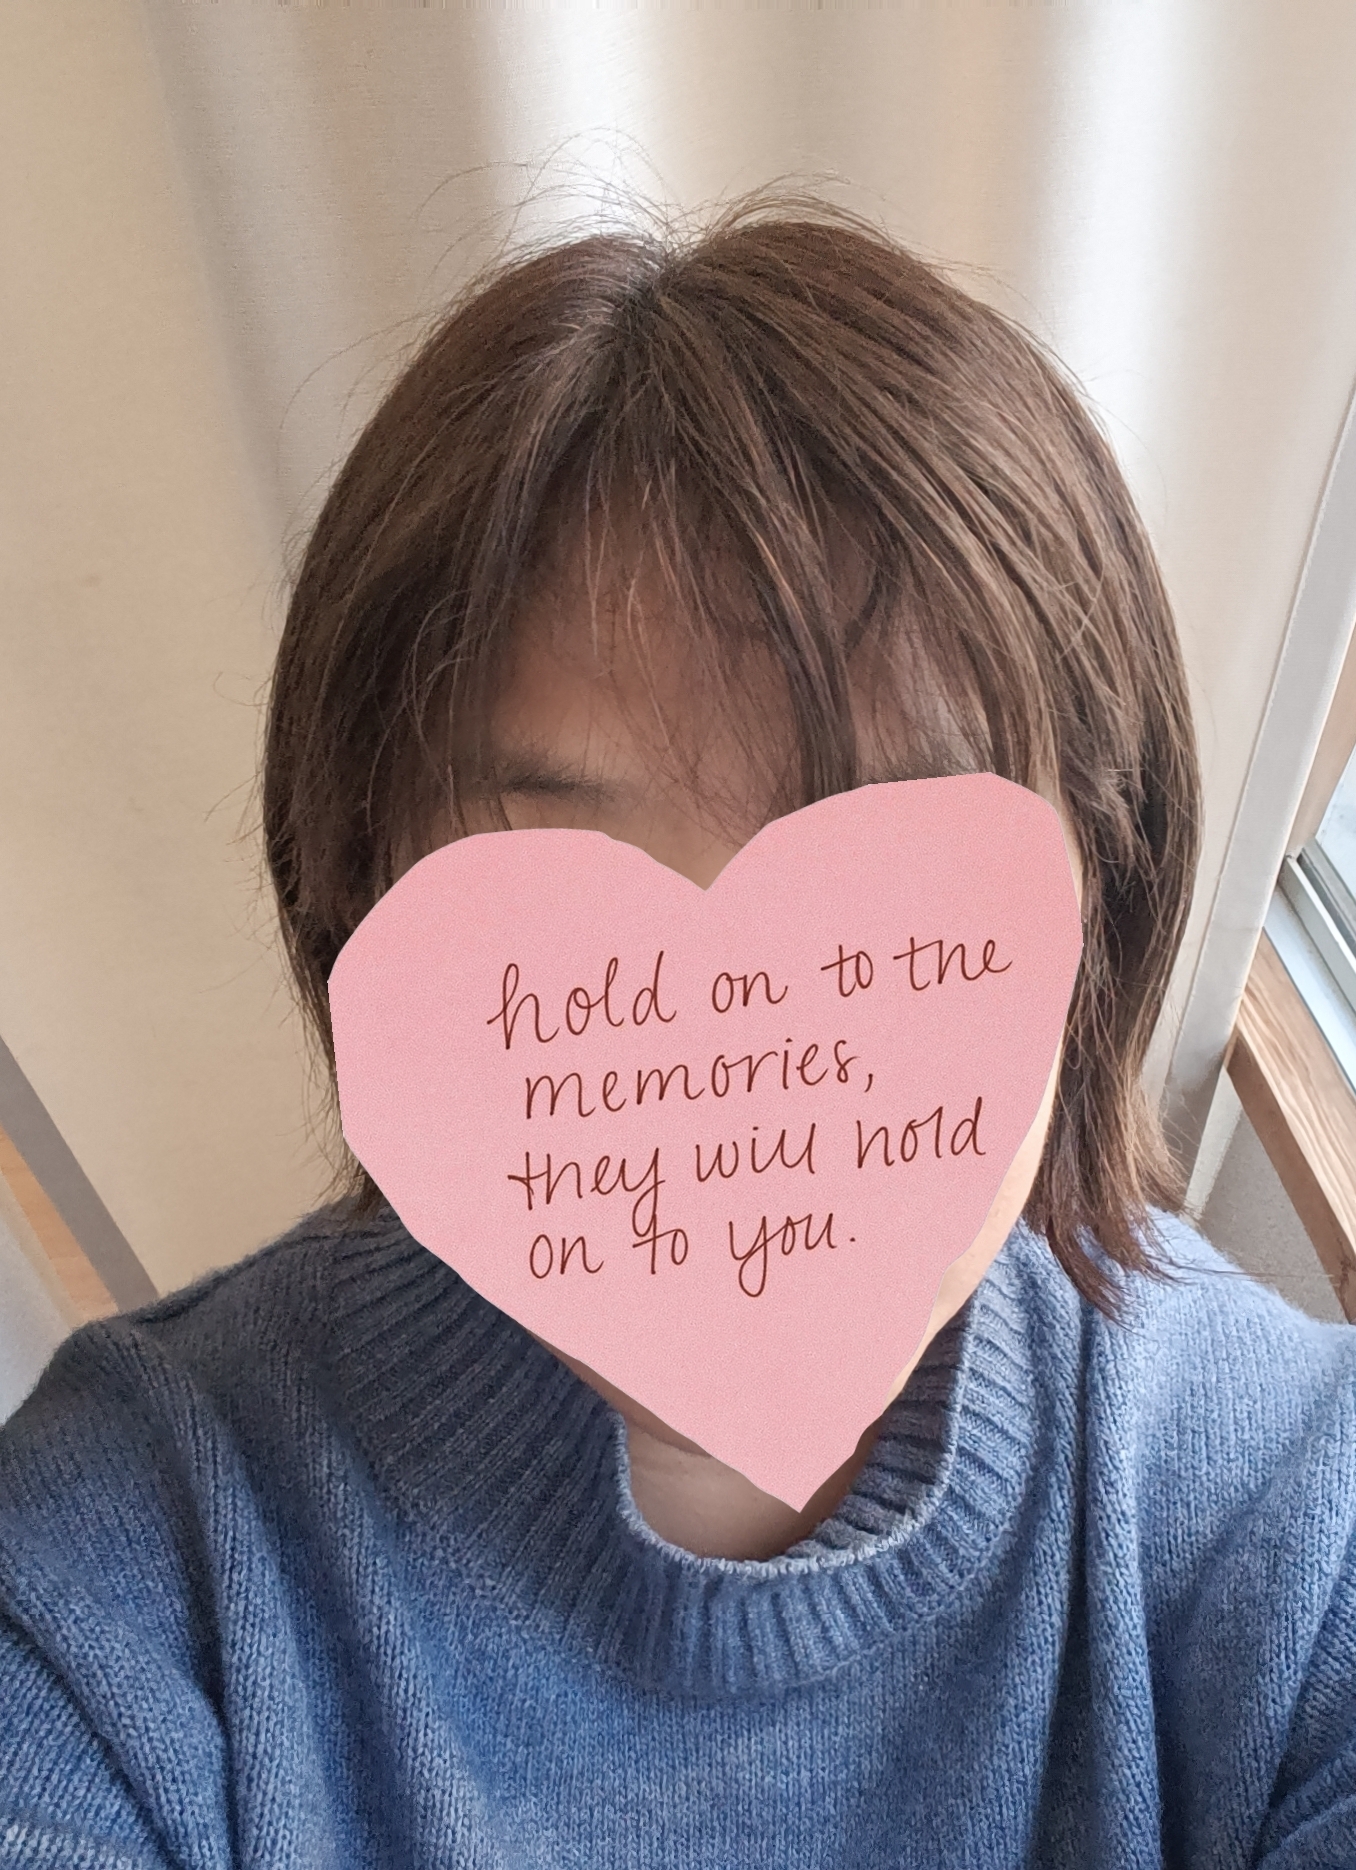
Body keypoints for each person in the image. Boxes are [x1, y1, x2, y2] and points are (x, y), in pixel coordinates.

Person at [2, 198, 1354, 1869]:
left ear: (1104, 904)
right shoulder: (128, 1576)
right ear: (355, 893)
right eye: (550, 877)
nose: (723, 1041)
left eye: (892, 888)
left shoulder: (1293, 1517)